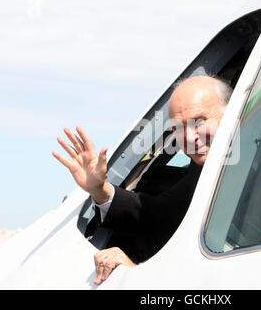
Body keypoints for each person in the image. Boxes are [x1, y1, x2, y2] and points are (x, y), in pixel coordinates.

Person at [52, 75, 233, 285]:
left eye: (199, 122)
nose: (189, 138)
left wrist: (136, 271)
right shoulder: (204, 168)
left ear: (233, 112)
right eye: (178, 128)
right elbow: (160, 213)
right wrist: (99, 190)